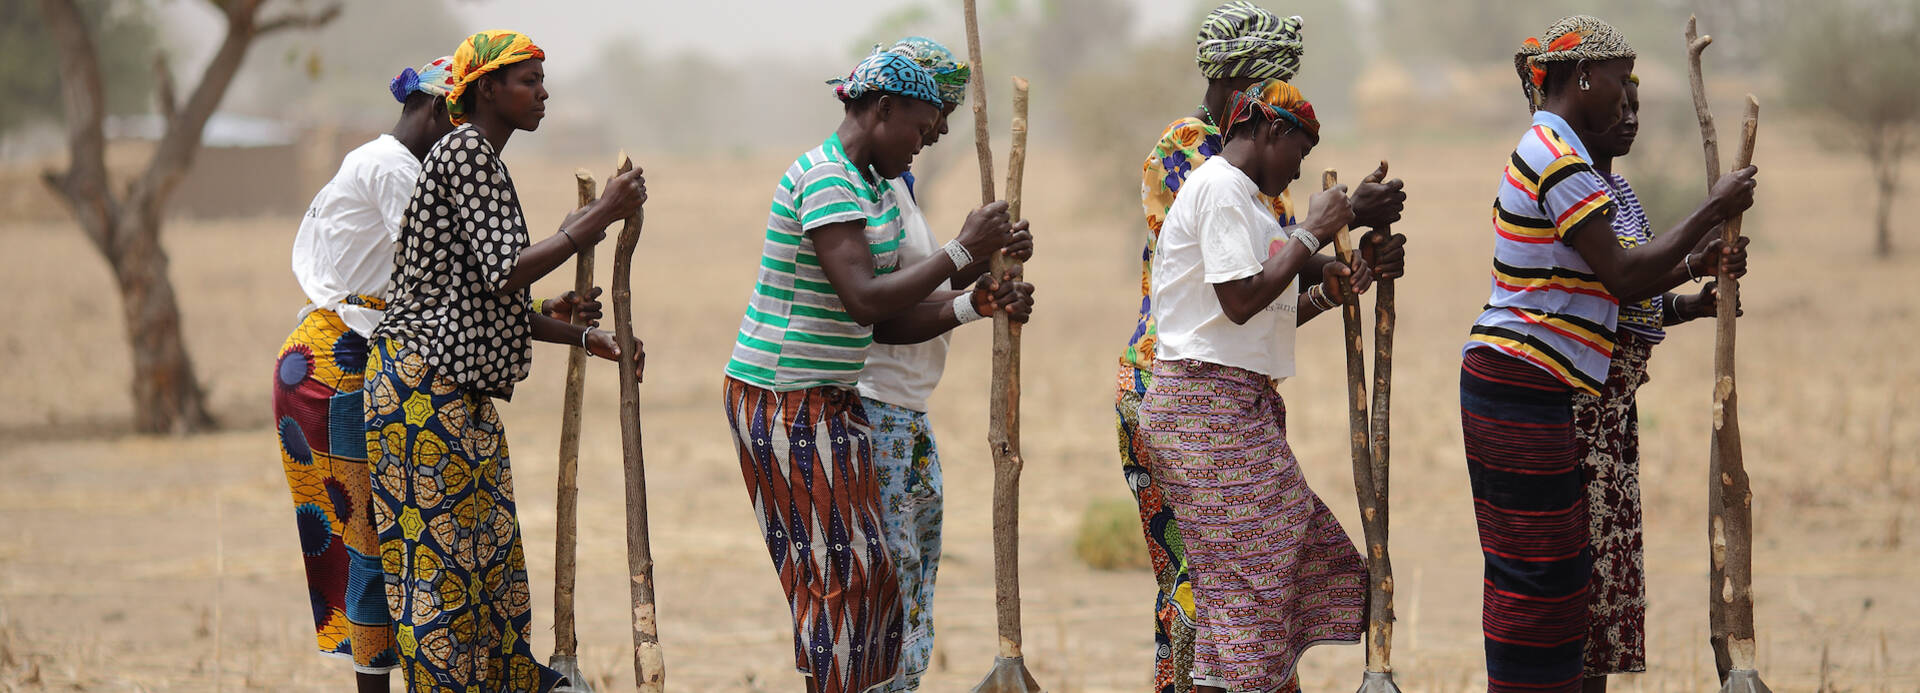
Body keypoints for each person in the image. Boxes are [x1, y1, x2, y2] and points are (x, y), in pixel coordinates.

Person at [271, 56, 601, 693]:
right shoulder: (398, 171)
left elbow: (463, 294)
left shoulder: (412, 166)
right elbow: (474, 284)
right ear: (436, 109)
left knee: (404, 544)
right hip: (341, 361)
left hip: (363, 352)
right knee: (375, 544)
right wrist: (583, 245)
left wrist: (562, 323)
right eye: (455, 114)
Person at [721, 50, 1033, 693]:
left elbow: (886, 321)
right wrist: (961, 250)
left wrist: (978, 285)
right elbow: (864, 297)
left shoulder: (872, 190)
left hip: (825, 398)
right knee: (848, 576)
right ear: (884, 109)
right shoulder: (826, 177)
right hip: (781, 395)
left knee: (862, 578)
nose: (929, 139)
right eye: (921, 127)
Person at [1460, 16, 1755, 692]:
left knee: (1563, 580)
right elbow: (1623, 276)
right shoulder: (1553, 153)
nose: (1626, 103)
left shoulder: (1568, 159)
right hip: (1528, 382)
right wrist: (1712, 209)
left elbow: (1615, 295)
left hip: (1551, 383)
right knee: (1541, 580)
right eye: (1620, 85)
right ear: (1583, 76)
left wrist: (1692, 280)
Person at [1116, 4, 1405, 691]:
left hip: (1229, 394)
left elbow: (1269, 291)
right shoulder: (1203, 163)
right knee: (1228, 581)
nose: (1296, 173)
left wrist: (1340, 265)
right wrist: (1320, 230)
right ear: (1257, 103)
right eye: (1276, 84)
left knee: (1240, 583)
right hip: (1186, 392)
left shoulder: (1246, 188)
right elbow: (1239, 290)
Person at [364, 31, 646, 693]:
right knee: (439, 574)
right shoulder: (464, 150)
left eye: (542, 80)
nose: (542, 92)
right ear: (485, 88)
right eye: (527, 80)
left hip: (453, 394)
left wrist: (580, 336)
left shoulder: (479, 158)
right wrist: (601, 213)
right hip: (420, 393)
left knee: (488, 562)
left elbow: (480, 301)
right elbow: (503, 272)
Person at [851, 37, 1034, 693]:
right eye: (933, 114)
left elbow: (924, 285)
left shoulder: (896, 187)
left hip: (906, 407)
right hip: (875, 404)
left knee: (914, 581)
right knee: (889, 594)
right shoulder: (859, 193)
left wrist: (986, 274)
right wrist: (969, 273)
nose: (942, 129)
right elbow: (881, 309)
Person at [1569, 75, 1748, 690]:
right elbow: (1619, 280)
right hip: (1582, 408)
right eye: (1619, 103)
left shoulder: (1618, 190)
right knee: (1583, 580)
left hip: (1616, 412)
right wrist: (1710, 219)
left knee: (1606, 580)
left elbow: (1631, 300)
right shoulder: (1575, 187)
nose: (1629, 116)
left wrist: (1689, 301)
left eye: (1636, 106)